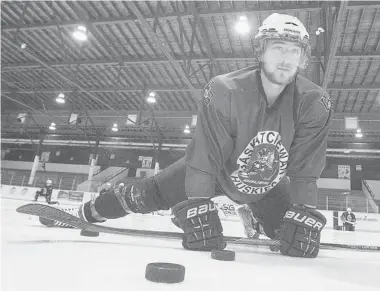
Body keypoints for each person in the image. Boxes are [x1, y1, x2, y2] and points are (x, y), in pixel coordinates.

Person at [41, 13, 333, 258]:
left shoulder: (316, 101)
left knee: (290, 238)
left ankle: (254, 215)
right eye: (278, 48)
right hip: (217, 171)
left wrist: (304, 208)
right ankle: (85, 213)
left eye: (294, 50)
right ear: (260, 50)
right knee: (145, 195)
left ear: (303, 57)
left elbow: (306, 166)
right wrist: (197, 203)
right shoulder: (225, 89)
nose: (286, 58)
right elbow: (206, 154)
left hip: (267, 183)